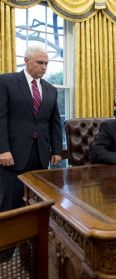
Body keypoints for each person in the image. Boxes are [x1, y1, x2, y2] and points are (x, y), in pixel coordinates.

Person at [0, 45, 62, 212]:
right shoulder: (6, 82)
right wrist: (3, 149)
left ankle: (34, 234)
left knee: (37, 199)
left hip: (41, 153)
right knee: (11, 199)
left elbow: (54, 122)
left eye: (46, 63)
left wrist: (56, 150)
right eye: (40, 62)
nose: (44, 67)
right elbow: (1, 118)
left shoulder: (51, 90)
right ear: (26, 61)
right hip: (13, 153)